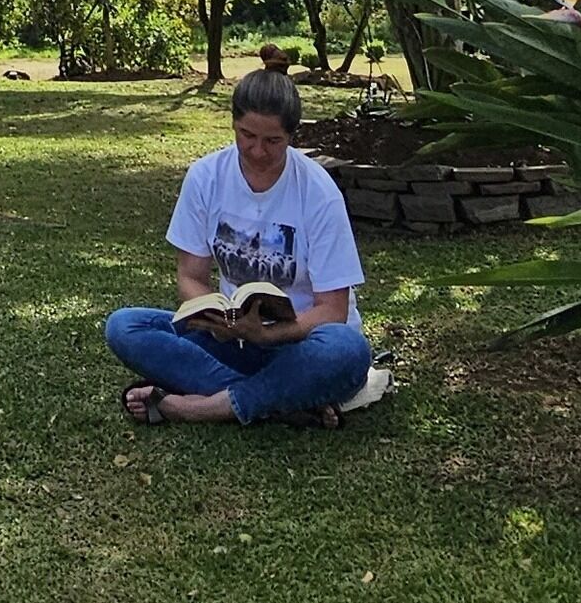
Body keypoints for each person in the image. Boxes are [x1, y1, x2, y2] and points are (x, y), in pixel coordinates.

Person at [106, 68, 392, 426]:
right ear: (233, 125)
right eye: (247, 135)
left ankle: (200, 407)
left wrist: (268, 334)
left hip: (304, 345)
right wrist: (219, 320)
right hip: (233, 340)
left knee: (349, 351)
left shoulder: (318, 191)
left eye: (272, 141)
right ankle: (285, 403)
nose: (257, 151)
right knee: (125, 326)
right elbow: (190, 276)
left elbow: (332, 311)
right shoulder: (205, 176)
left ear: (291, 135)